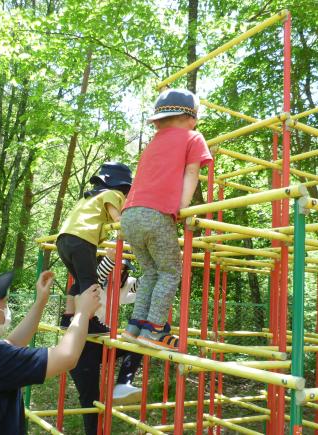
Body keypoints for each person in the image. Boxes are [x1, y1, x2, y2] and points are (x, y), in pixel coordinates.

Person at [0, 266, 101, 435]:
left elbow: (11, 343)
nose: (7, 309)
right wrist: (82, 312)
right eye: (5, 302)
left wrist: (40, 302)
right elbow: (66, 356)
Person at [120, 88, 213, 351]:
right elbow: (192, 172)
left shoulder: (153, 143)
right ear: (190, 117)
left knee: (150, 272)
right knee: (171, 272)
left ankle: (134, 327)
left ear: (159, 120)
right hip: (156, 214)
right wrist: (181, 208)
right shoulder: (192, 137)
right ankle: (155, 330)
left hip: (130, 215)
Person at [61, 248, 143, 435]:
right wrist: (110, 258)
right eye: (114, 266)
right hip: (80, 346)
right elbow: (97, 275)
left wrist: (161, 267)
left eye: (122, 269)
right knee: (91, 399)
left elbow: (143, 284)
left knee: (139, 341)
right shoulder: (89, 283)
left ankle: (123, 383)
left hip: (100, 341)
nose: (118, 272)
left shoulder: (121, 285)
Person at [57, 161, 133, 334]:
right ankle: (89, 320)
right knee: (91, 283)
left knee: (80, 280)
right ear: (123, 187)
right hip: (82, 239)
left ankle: (68, 317)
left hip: (64, 240)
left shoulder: (89, 197)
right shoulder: (113, 194)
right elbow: (118, 220)